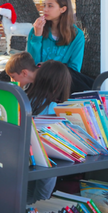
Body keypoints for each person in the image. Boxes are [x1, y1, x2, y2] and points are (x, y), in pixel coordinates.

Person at [26, 60, 72, 203]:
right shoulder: (54, 108)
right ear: (60, 85)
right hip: (46, 160)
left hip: (25, 157)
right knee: (42, 200)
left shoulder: (27, 99)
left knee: (27, 194)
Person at [27, 0, 91, 92]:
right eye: (44, 5)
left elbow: (74, 68)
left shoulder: (77, 35)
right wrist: (37, 37)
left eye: (50, 6)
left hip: (63, 85)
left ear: (63, 9)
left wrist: (51, 70)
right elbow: (32, 64)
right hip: (39, 83)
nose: (45, 9)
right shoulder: (36, 30)